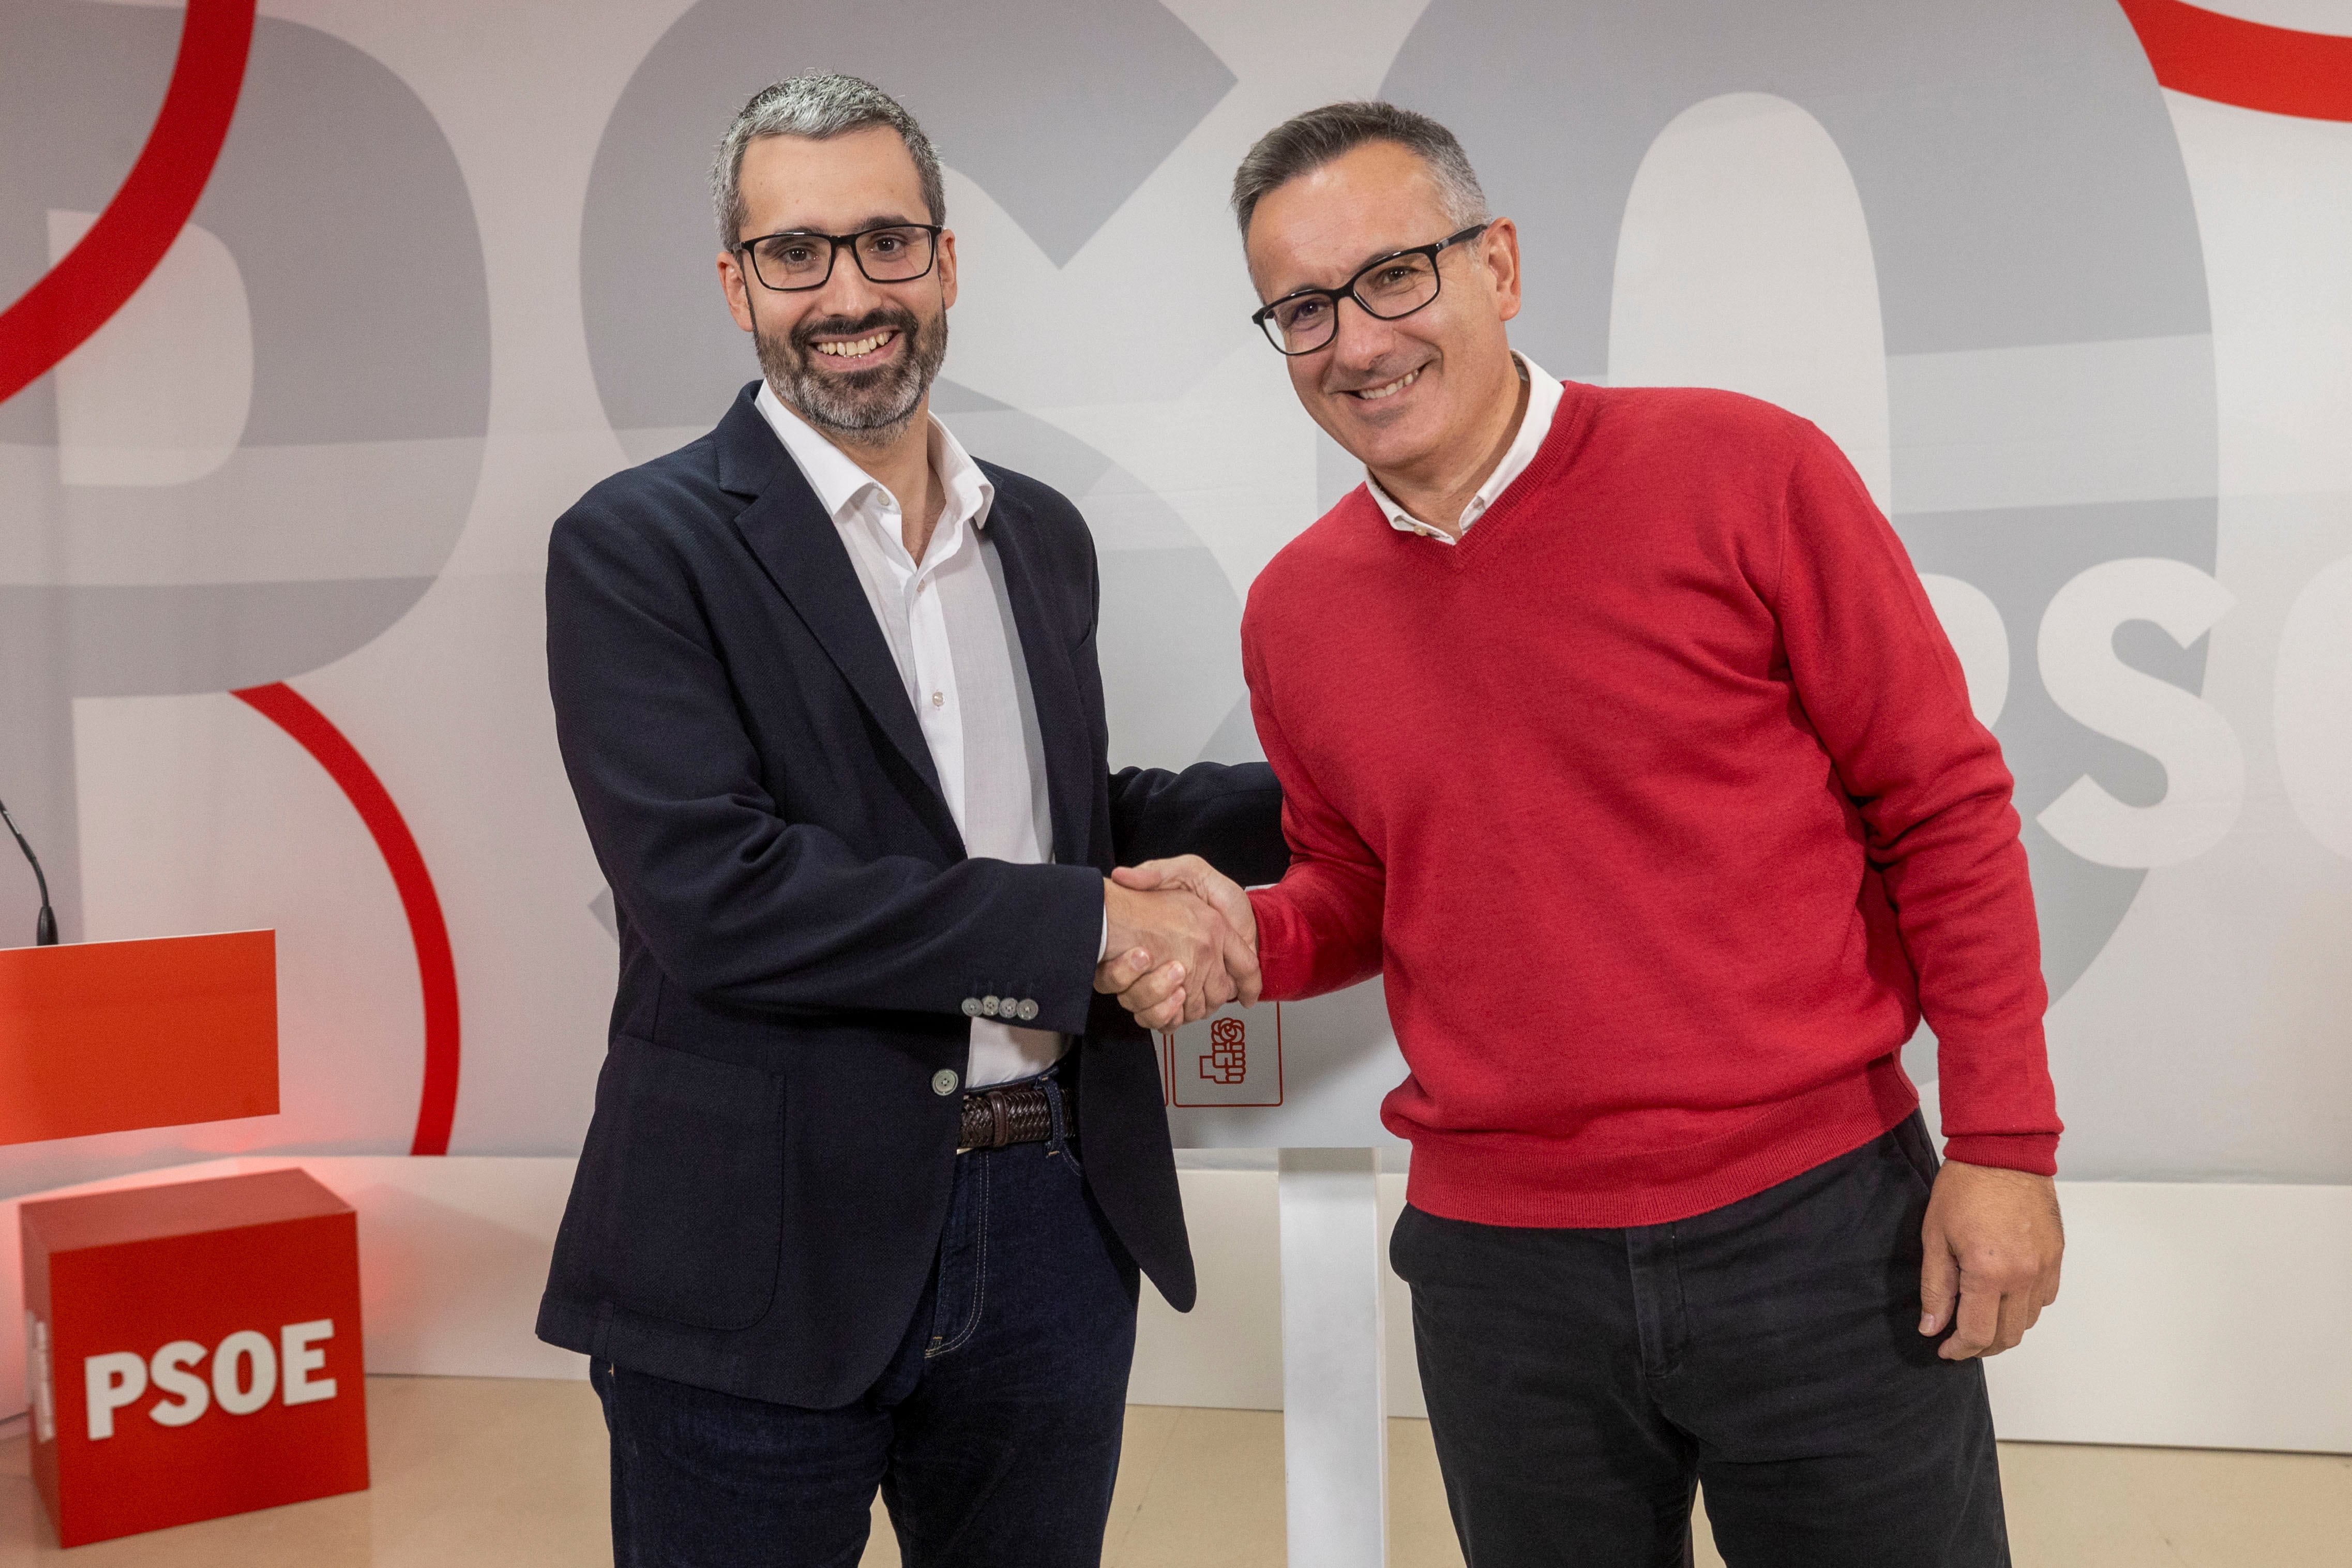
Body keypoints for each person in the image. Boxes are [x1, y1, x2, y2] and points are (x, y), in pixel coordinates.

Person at [1105, 101, 2064, 1566]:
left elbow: (1938, 807)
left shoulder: (1745, 469)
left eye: (1394, 276)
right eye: (1302, 308)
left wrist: (2001, 1143)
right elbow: (1363, 887)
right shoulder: (1294, 611)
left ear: (1495, 262)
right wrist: (1251, 935)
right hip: (1500, 1280)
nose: (1356, 342)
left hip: (1817, 1233)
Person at [536, 73, 1286, 1568]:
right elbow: (720, 895)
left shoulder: (1040, 537)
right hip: (760, 1251)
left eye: (886, 242)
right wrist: (1087, 927)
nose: (848, 292)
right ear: (736, 285)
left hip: (1054, 1230)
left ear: (945, 264)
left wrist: (1363, 791)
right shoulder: (636, 546)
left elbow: (1060, 821)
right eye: (797, 253)